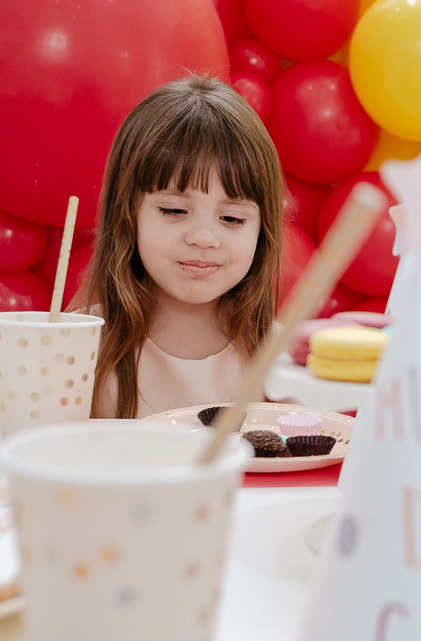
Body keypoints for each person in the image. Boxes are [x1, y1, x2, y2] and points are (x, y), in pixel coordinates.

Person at [73, 74, 283, 419]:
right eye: (174, 210)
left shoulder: (286, 358)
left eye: (231, 218)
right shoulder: (77, 346)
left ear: (263, 230)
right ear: (128, 214)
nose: (203, 237)